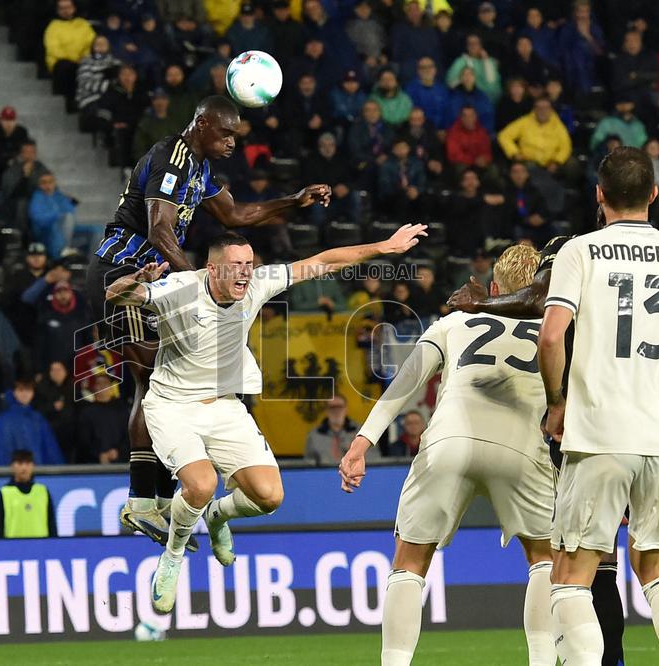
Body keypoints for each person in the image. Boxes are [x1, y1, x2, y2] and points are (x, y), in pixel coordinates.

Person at [447, 151, 659, 664]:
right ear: (654, 193)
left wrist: (556, 405)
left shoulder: (578, 254)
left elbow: (549, 327)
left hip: (596, 434)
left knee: (575, 576)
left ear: (598, 195)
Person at [105, 224, 426, 612]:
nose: (246, 271)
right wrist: (133, 281)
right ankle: (172, 557)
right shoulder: (179, 290)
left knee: (269, 496)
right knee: (202, 483)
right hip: (173, 405)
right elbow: (115, 295)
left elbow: (322, 262)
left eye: (249, 263)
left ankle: (216, 517)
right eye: (236, 264)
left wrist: (384, 246)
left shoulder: (258, 283)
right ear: (212, 269)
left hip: (225, 406)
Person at [84, 95, 331, 546]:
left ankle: (152, 502)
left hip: (153, 281)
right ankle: (143, 502)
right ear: (200, 125)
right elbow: (160, 229)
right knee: (153, 381)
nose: (232, 142)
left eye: (236, 135)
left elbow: (237, 215)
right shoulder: (172, 158)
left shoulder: (198, 170)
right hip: (124, 278)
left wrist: (293, 202)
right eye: (225, 133)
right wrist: (195, 281)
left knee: (158, 380)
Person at [339, 245, 558, 666]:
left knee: (409, 562)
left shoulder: (455, 320)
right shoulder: (554, 327)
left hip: (449, 445)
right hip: (522, 449)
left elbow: (405, 382)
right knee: (544, 559)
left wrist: (361, 443)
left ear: (493, 288)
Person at [0, 378, 64, 467]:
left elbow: (50, 451)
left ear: (33, 393)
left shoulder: (38, 419)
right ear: (14, 393)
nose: (25, 394)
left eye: (28, 390)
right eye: (21, 390)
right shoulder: (5, 419)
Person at [0, 449, 56, 538]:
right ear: (12, 466)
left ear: (33, 466)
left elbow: (51, 523)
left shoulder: (42, 491)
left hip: (41, 547)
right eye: (20, 463)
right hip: (13, 547)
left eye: (27, 463)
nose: (24, 468)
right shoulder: (5, 492)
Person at [44, 0, 95, 100]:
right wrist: (75, 59)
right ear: (57, 10)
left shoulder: (83, 24)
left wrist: (84, 57)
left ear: (74, 8)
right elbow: (53, 49)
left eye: (68, 7)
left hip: (82, 60)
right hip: (61, 62)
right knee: (67, 67)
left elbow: (91, 43)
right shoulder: (53, 26)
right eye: (62, 8)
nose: (65, 11)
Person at [27, 172, 76, 258]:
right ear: (39, 185)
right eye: (44, 182)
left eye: (50, 182)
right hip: (44, 231)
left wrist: (60, 216)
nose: (48, 185)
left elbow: (70, 210)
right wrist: (56, 216)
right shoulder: (37, 198)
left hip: (63, 229)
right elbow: (38, 219)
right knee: (56, 225)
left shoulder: (60, 196)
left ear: (54, 183)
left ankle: (97, 262)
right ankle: (64, 250)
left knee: (95, 230)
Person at [304, 395, 363, 465]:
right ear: (326, 411)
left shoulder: (361, 432)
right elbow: (308, 464)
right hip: (324, 474)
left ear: (346, 409)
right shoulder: (314, 435)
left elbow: (374, 460)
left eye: (339, 407)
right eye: (332, 407)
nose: (336, 411)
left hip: (354, 473)